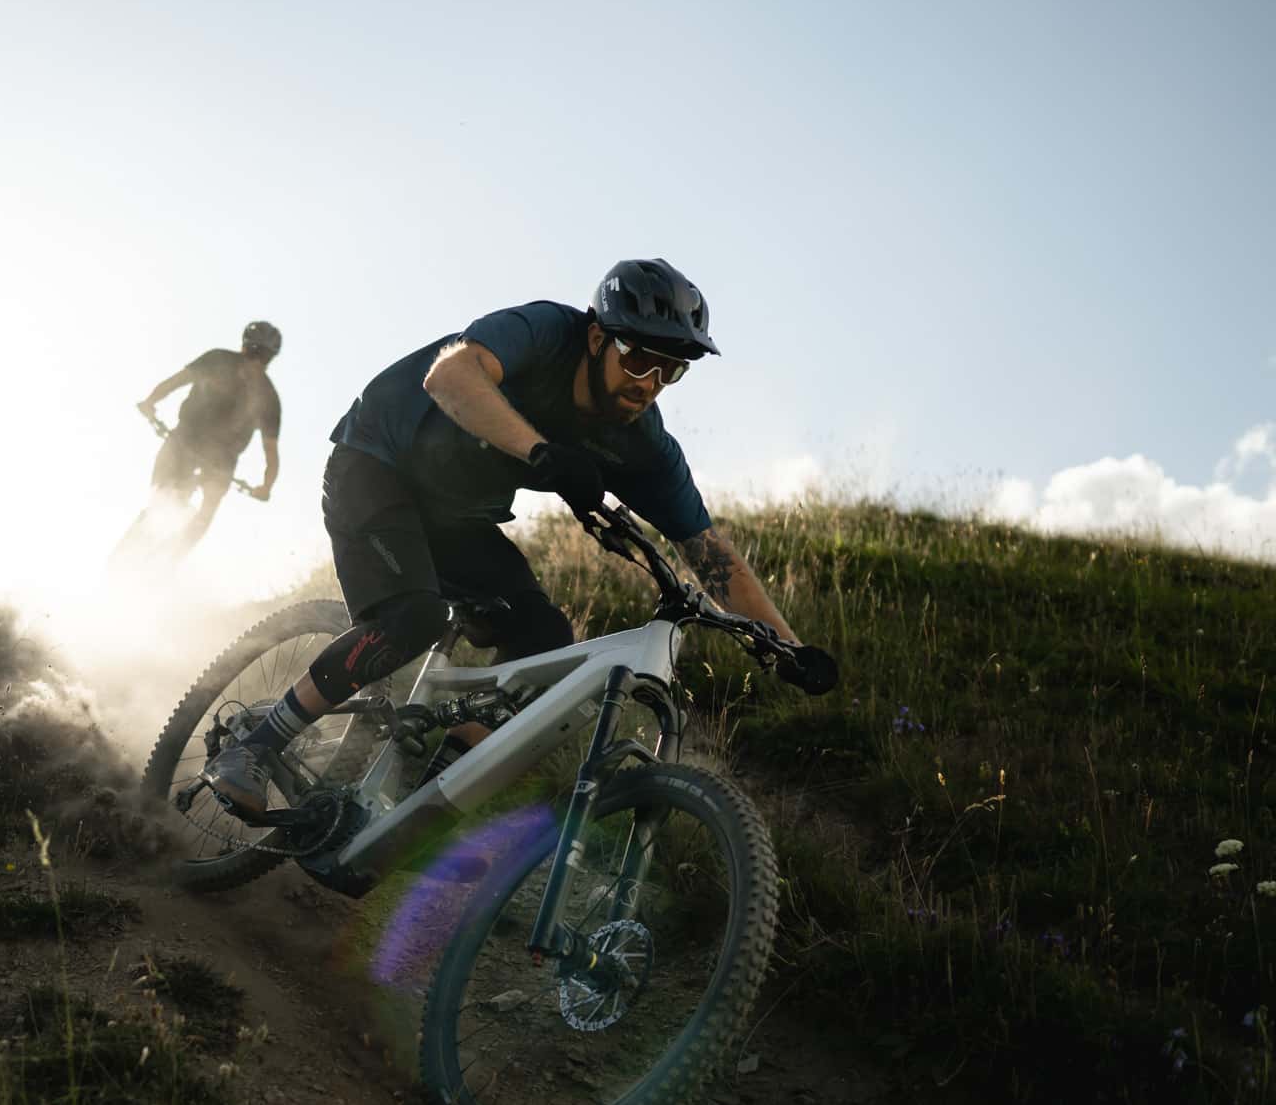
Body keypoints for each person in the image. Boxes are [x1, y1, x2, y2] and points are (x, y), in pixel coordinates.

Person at [198, 259, 835, 813]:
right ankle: (255, 745)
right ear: (596, 337)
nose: (649, 381)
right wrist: (541, 453)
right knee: (413, 617)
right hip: (377, 463)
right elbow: (450, 377)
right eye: (639, 357)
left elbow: (710, 555)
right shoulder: (545, 333)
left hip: (458, 515)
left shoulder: (642, 446)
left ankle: (413, 803)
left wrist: (789, 648)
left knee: (543, 644)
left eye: (671, 370)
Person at [129, 321, 283, 555]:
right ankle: (172, 559)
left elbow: (175, 382)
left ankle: (141, 543)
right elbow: (271, 454)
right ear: (270, 357)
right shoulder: (269, 396)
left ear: (244, 345)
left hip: (185, 440)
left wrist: (150, 402)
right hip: (220, 461)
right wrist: (265, 487)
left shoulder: (218, 359)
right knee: (205, 512)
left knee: (160, 494)